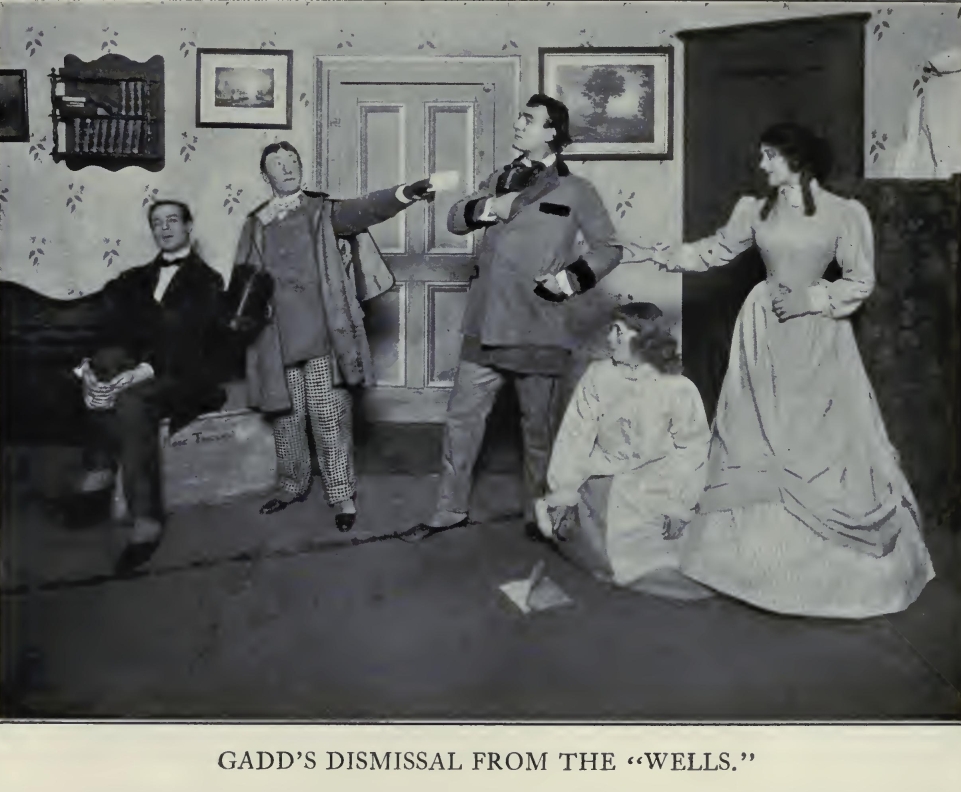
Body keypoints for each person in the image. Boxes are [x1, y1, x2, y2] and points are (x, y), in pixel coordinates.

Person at [630, 123, 934, 618]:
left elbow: (860, 280)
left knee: (819, 438)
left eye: (770, 155)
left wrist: (812, 298)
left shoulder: (844, 214)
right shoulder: (755, 210)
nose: (762, 165)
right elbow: (714, 249)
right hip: (763, 332)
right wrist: (662, 255)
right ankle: (751, 564)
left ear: (797, 158)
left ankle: (822, 572)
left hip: (818, 337)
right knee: (756, 434)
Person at [407, 94, 624, 542]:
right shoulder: (499, 178)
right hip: (484, 323)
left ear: (552, 131)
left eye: (529, 119)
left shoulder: (577, 190)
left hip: (539, 324)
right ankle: (449, 509)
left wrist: (567, 281)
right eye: (520, 117)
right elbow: (455, 219)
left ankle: (539, 514)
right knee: (461, 423)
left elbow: (609, 248)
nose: (519, 124)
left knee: (538, 431)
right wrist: (494, 205)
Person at [233, 141, 433, 530]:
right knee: (287, 419)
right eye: (277, 163)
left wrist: (405, 192)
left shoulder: (324, 211)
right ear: (264, 175)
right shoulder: (255, 222)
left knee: (329, 417)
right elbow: (244, 280)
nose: (287, 167)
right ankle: (292, 485)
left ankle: (342, 495)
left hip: (324, 335)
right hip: (276, 339)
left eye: (293, 160)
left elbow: (366, 208)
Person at [77, 199, 227, 573]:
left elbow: (189, 343)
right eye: (157, 222)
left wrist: (141, 371)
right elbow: (110, 325)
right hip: (139, 370)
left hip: (187, 377)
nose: (165, 228)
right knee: (105, 360)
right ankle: (100, 468)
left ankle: (146, 519)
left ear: (189, 226)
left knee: (131, 399)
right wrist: (88, 370)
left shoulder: (208, 281)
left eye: (172, 220)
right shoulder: (135, 279)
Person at [534, 303, 715, 599]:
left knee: (687, 545)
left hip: (660, 479)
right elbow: (575, 435)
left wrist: (680, 505)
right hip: (604, 475)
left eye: (618, 332)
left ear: (644, 339)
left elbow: (692, 449)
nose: (610, 339)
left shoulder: (678, 387)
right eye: (611, 331)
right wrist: (563, 491)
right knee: (602, 541)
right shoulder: (597, 375)